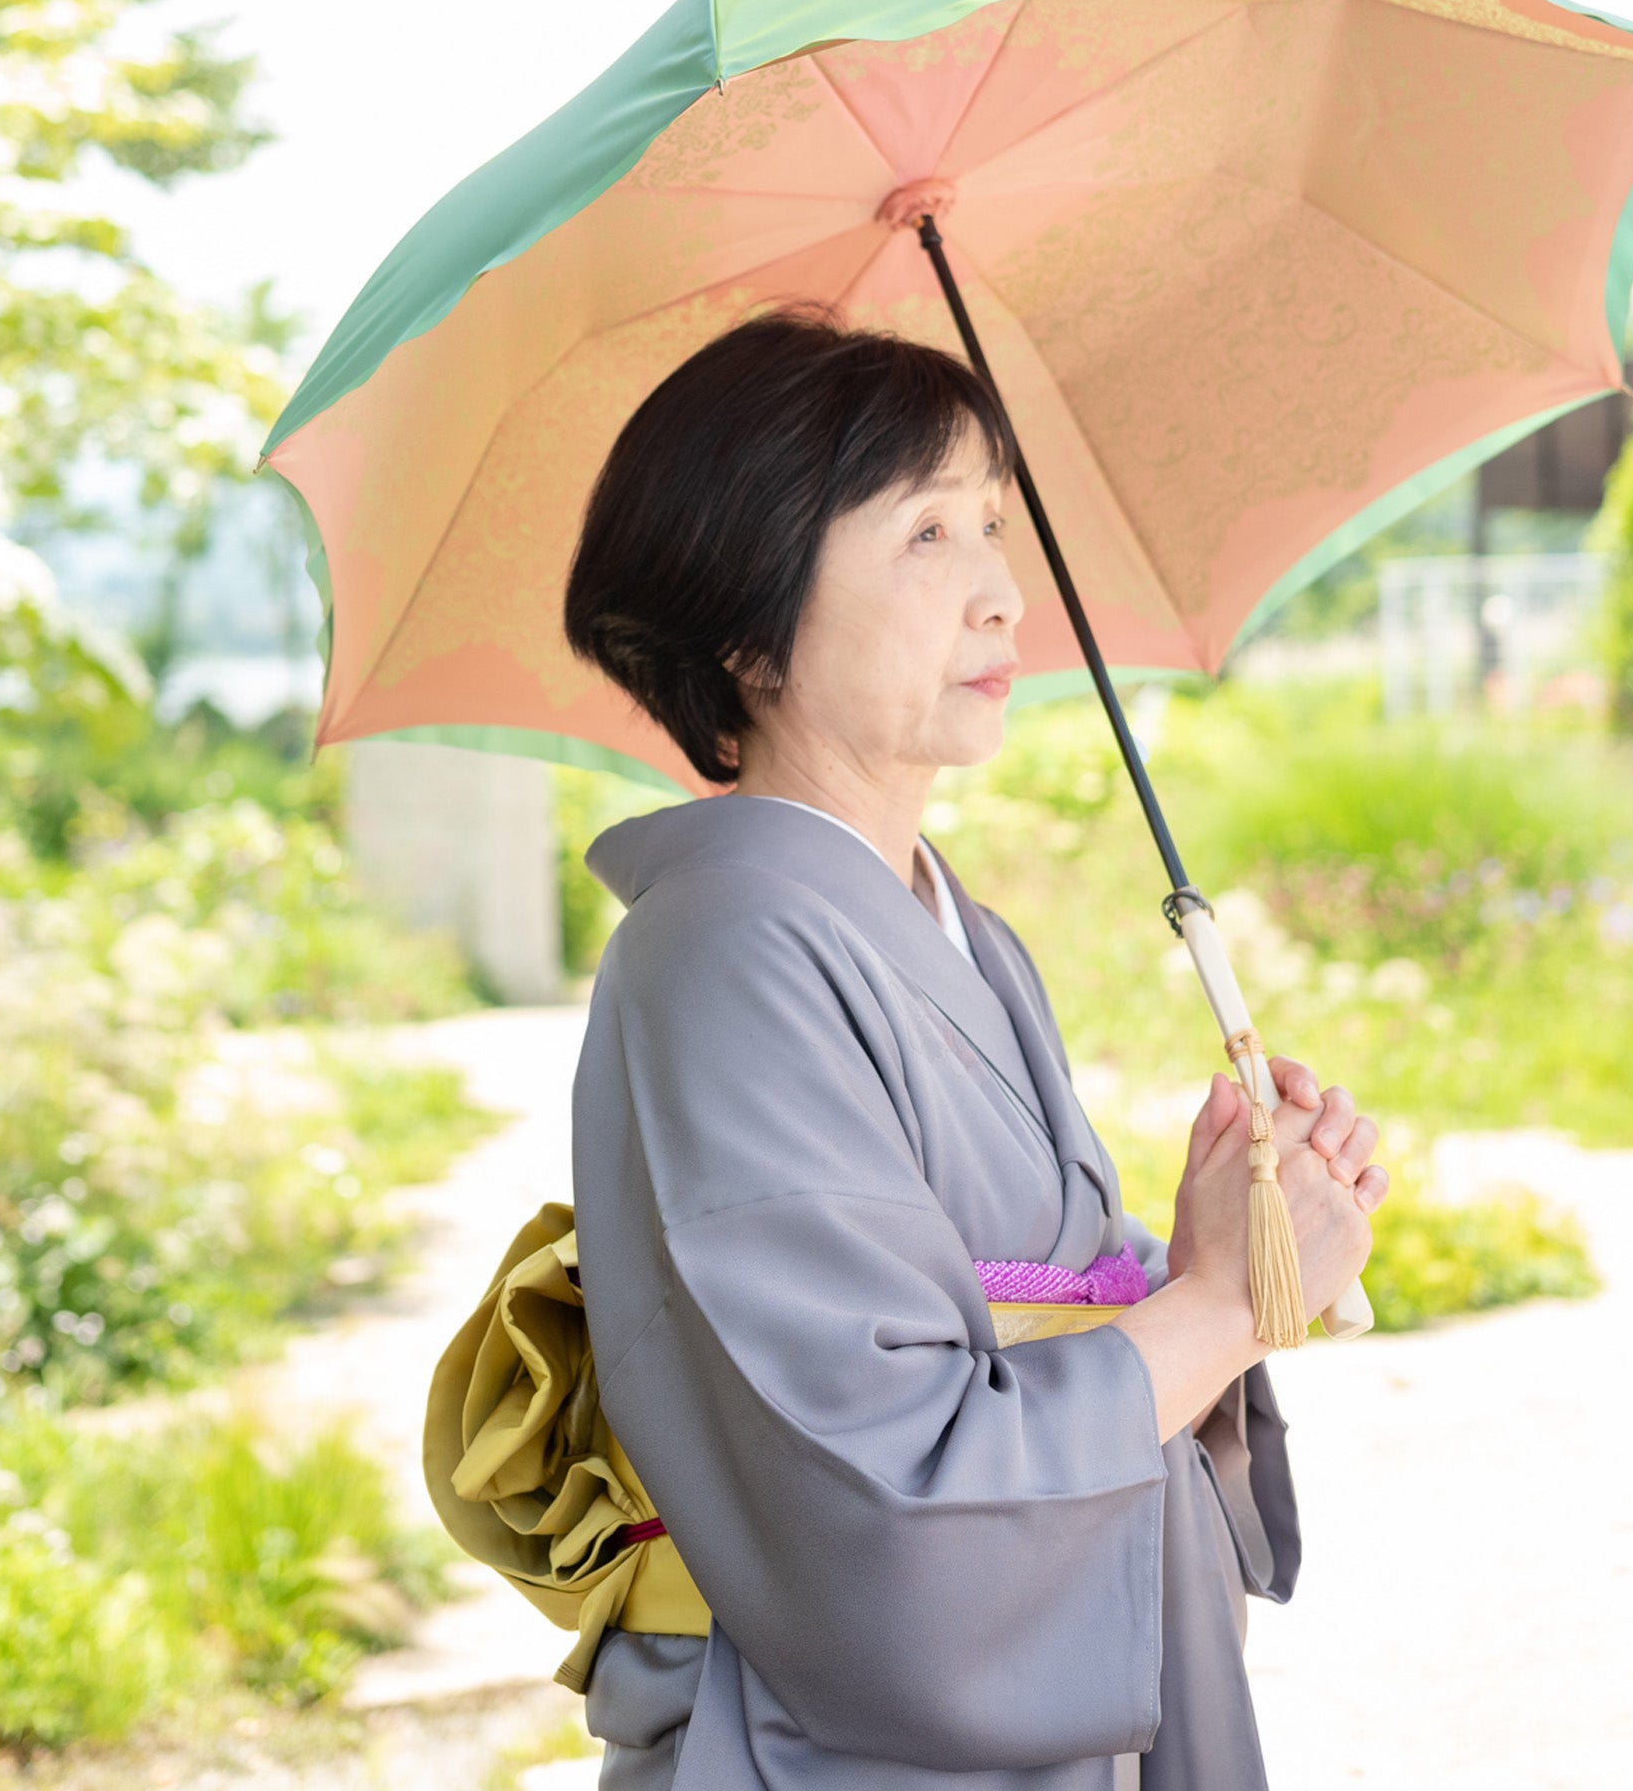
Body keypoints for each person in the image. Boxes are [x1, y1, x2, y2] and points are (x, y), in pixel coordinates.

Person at [561, 311, 1386, 1790]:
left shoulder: (963, 935)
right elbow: (885, 1487)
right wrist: (1222, 1306)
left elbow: (1055, 1304)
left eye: (997, 523)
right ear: (747, 630)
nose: (1004, 594)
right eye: (928, 534)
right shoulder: (728, 952)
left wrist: (1236, 1223)